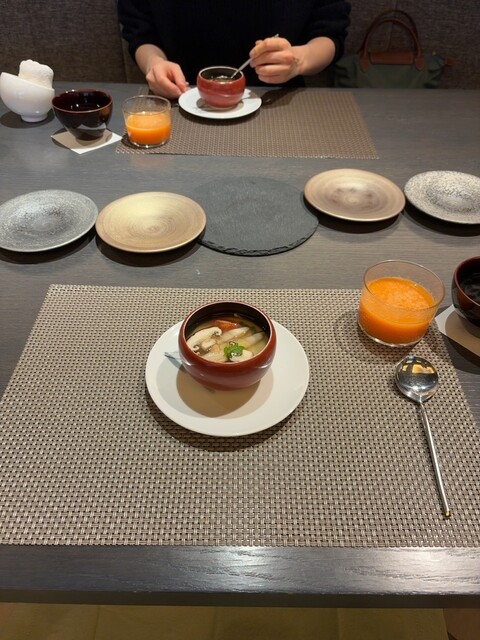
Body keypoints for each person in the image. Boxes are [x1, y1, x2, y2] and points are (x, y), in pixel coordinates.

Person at [117, 0, 351, 99]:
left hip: (278, 101)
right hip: (178, 99)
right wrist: (154, 63)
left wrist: (299, 60)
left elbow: (330, 33)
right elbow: (140, 31)